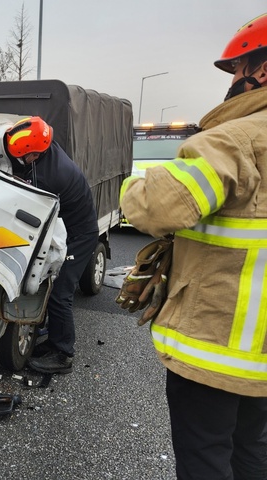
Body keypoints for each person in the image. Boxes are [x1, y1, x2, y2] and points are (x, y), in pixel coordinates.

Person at [119, 13, 267, 480]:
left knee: (205, 458)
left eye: (239, 69)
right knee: (252, 454)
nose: (234, 80)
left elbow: (159, 206)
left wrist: (134, 184)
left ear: (261, 71)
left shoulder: (236, 140)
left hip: (215, 347)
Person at [4, 116, 98, 375]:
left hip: (81, 235)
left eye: (24, 157)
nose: (21, 161)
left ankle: (63, 355)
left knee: (61, 293)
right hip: (73, 228)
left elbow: (32, 214)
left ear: (34, 153)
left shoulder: (51, 176)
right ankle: (55, 341)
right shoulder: (47, 147)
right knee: (55, 288)